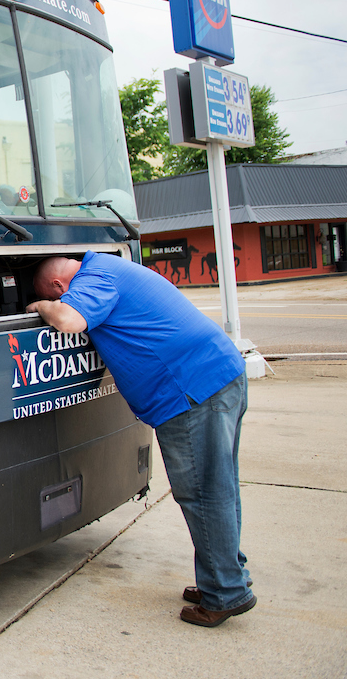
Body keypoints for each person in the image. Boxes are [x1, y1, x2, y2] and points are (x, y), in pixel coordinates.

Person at [26, 252, 255, 628]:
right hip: (216, 376)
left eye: (55, 294)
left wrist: (43, 306)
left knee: (202, 493)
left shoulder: (94, 278)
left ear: (58, 286)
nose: (60, 299)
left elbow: (68, 319)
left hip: (189, 393)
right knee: (221, 487)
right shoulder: (114, 268)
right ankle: (225, 575)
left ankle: (226, 593)